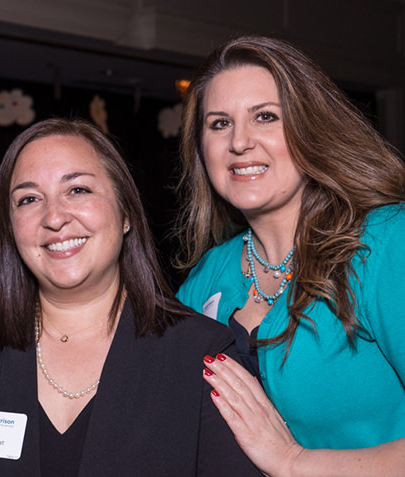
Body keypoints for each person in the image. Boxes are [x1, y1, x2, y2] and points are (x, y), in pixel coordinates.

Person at [0, 118, 260, 476]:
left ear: (126, 212)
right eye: (29, 199)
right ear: (10, 227)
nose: (54, 217)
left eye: (78, 190)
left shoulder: (201, 355)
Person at [174, 35, 405, 476]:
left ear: (309, 128)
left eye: (264, 117)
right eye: (219, 123)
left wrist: (293, 462)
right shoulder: (208, 275)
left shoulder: (386, 242)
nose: (240, 142)